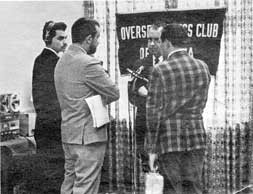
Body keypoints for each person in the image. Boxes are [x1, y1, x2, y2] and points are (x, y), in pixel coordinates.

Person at [54, 17, 120, 194]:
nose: (98, 42)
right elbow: (114, 92)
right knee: (86, 187)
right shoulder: (88, 63)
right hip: (88, 138)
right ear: (89, 39)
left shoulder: (61, 60)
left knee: (69, 184)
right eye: (98, 37)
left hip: (69, 134)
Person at [146, 24, 211, 194]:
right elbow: (202, 103)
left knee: (173, 189)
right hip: (197, 137)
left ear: (167, 42)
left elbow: (153, 114)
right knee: (194, 188)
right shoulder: (203, 66)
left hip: (169, 141)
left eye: (160, 41)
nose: (159, 46)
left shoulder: (160, 70)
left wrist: (152, 150)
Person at [31, 21, 67, 194]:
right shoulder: (50, 61)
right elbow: (47, 100)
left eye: (65, 38)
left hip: (48, 128)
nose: (64, 42)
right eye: (60, 38)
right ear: (48, 39)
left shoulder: (44, 60)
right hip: (51, 130)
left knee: (52, 178)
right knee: (53, 178)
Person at [128, 24, 163, 168]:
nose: (152, 44)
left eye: (157, 40)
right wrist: (141, 91)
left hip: (165, 127)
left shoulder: (171, 63)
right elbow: (132, 92)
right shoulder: (140, 64)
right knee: (147, 171)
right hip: (144, 124)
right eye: (149, 40)